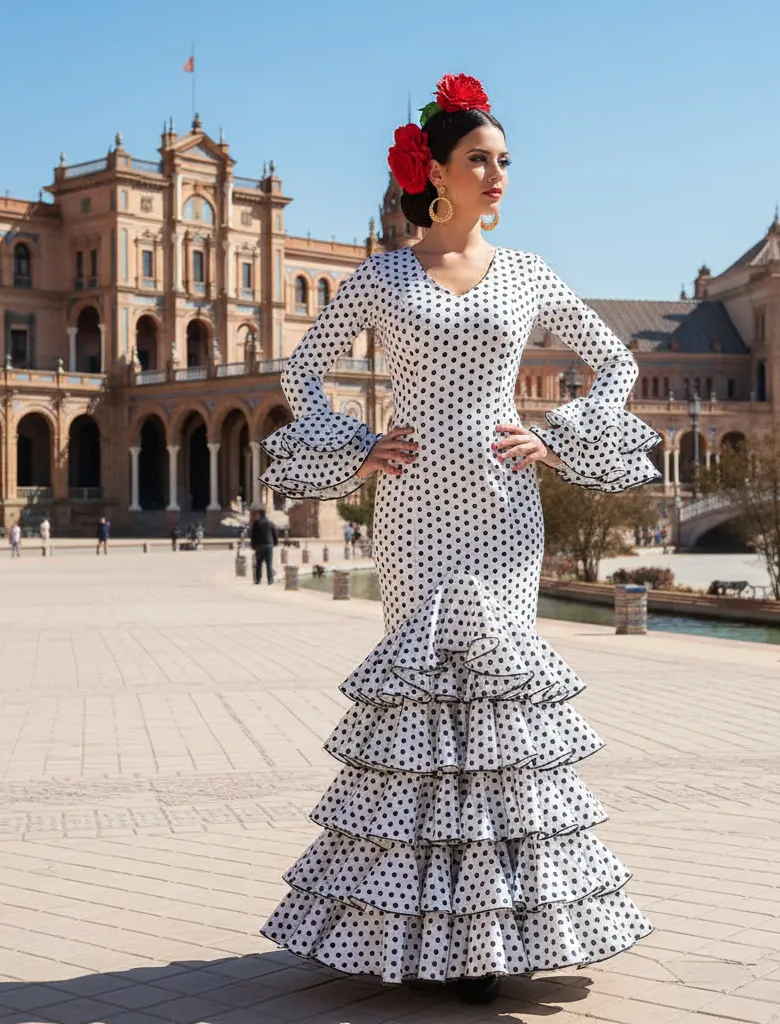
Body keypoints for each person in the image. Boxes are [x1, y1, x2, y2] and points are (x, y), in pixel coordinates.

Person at [258, 73, 658, 1005]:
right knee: (426, 695)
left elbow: (615, 361)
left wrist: (552, 438)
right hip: (412, 508)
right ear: (434, 171)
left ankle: (494, 930)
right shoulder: (386, 276)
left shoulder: (526, 273)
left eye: (506, 160)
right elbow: (305, 369)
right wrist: (359, 448)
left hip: (503, 502)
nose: (498, 173)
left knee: (500, 697)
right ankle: (418, 927)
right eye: (481, 158)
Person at [249, 510, 278, 584]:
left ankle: (258, 580)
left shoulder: (256, 523)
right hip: (269, 545)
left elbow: (253, 535)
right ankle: (270, 580)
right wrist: (275, 543)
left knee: (259, 563)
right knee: (269, 563)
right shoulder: (270, 523)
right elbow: (274, 533)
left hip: (259, 545)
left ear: (259, 515)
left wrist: (253, 545)